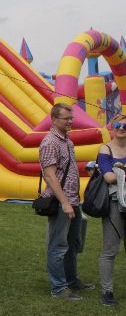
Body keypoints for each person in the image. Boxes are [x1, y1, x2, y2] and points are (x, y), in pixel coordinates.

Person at [39, 102, 94, 300]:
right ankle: (59, 288)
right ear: (54, 120)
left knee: (73, 243)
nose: (70, 121)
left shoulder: (67, 141)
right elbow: (50, 176)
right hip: (61, 202)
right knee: (59, 245)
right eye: (66, 118)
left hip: (73, 201)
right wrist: (64, 202)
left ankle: (71, 280)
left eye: (72, 118)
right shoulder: (50, 142)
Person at [97, 113, 126, 306]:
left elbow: (115, 174)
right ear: (112, 128)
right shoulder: (105, 149)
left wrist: (119, 170)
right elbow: (108, 177)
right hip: (114, 204)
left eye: (125, 126)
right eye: (117, 125)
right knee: (110, 249)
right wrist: (118, 172)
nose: (121, 128)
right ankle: (107, 292)